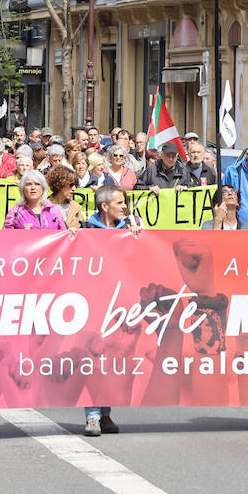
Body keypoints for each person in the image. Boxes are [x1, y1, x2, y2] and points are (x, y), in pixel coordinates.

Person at [82, 183, 140, 436]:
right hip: (93, 304)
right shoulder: (86, 229)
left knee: (112, 361)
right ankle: (92, 416)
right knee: (93, 360)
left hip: (121, 306)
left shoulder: (130, 228)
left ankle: (105, 413)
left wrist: (141, 236)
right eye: (119, 203)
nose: (125, 206)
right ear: (105, 206)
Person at [45, 165, 84, 229]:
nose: (74, 189)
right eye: (71, 185)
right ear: (60, 184)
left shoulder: (76, 207)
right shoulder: (44, 207)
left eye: (76, 185)